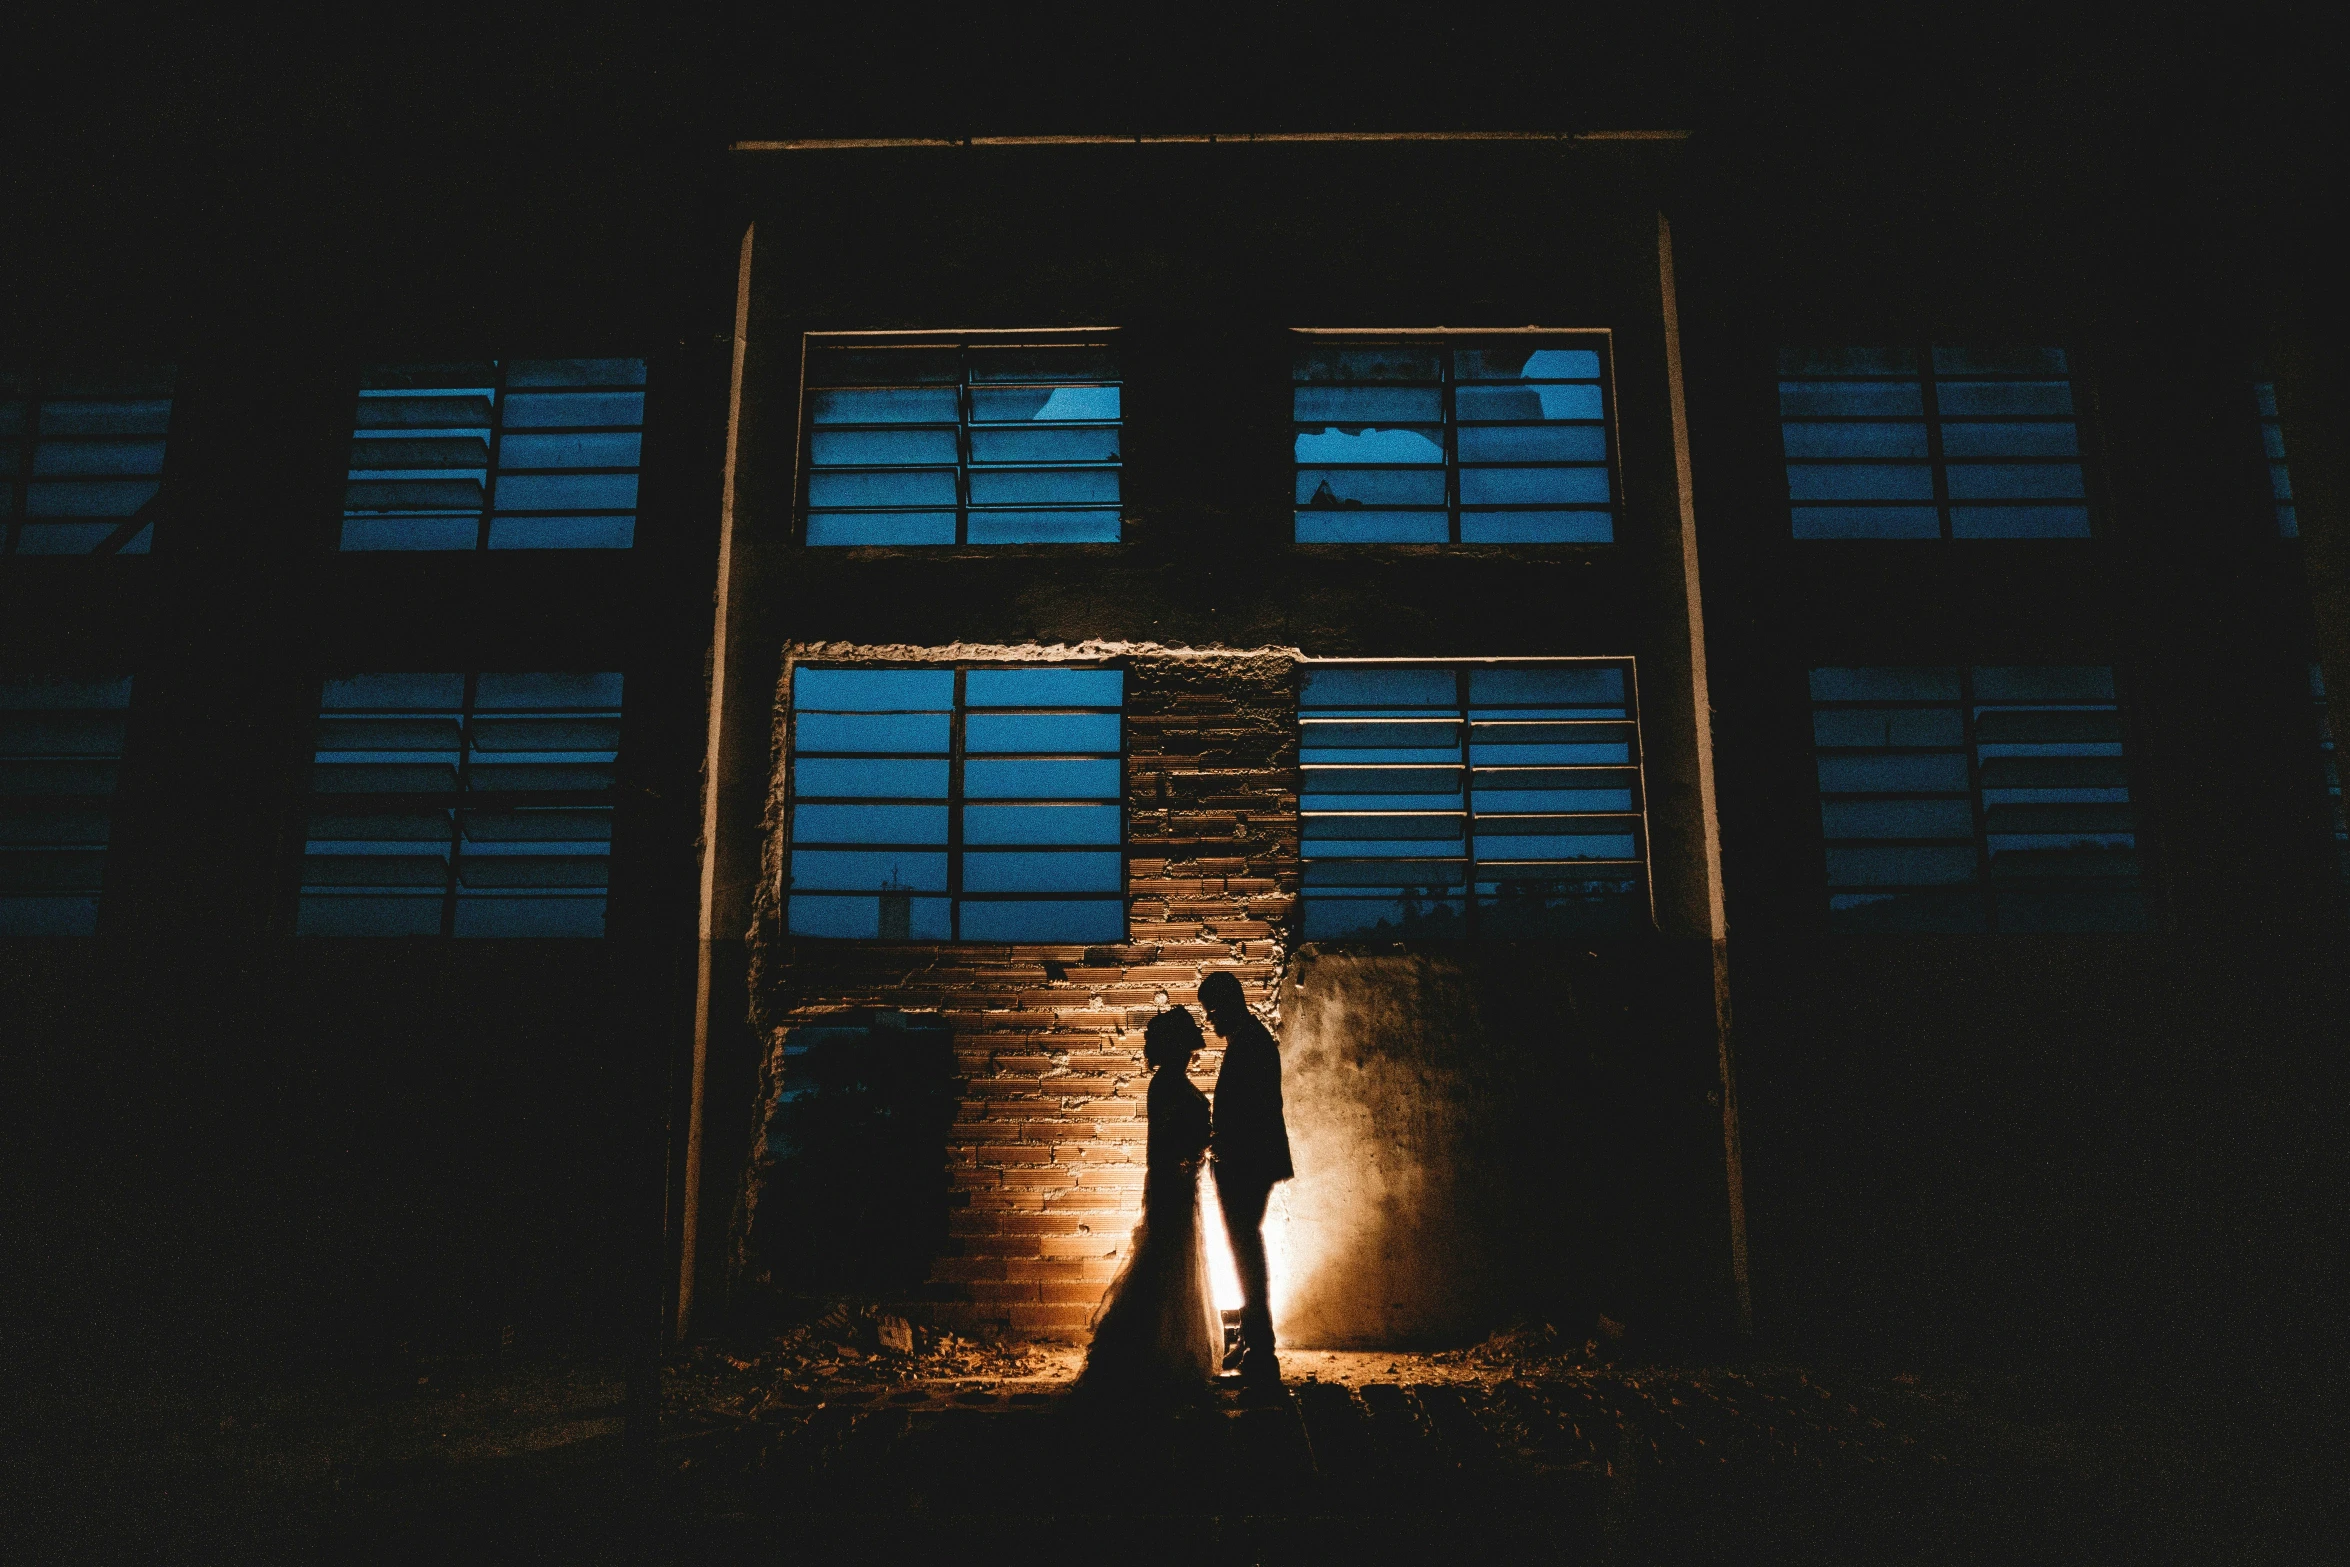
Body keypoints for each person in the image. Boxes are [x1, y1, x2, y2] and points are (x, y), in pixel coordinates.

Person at [1074, 1008, 1220, 1399]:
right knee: (1166, 1264)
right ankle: (1153, 1358)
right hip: (1173, 1186)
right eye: (1186, 1046)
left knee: (1176, 1264)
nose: (1191, 1053)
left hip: (1181, 1185)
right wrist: (1202, 1144)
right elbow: (1167, 1145)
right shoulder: (1167, 1086)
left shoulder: (1170, 1083)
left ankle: (1164, 1355)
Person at [1202, 970, 1291, 1390]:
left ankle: (1261, 1349)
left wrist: (1223, 1144)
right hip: (1247, 1161)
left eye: (1214, 1011)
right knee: (1245, 1250)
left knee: (1246, 1251)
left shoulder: (1251, 1045)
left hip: (1246, 1164)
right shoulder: (1250, 1041)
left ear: (1232, 1003)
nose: (1211, 1021)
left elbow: (1253, 1113)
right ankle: (1255, 1343)